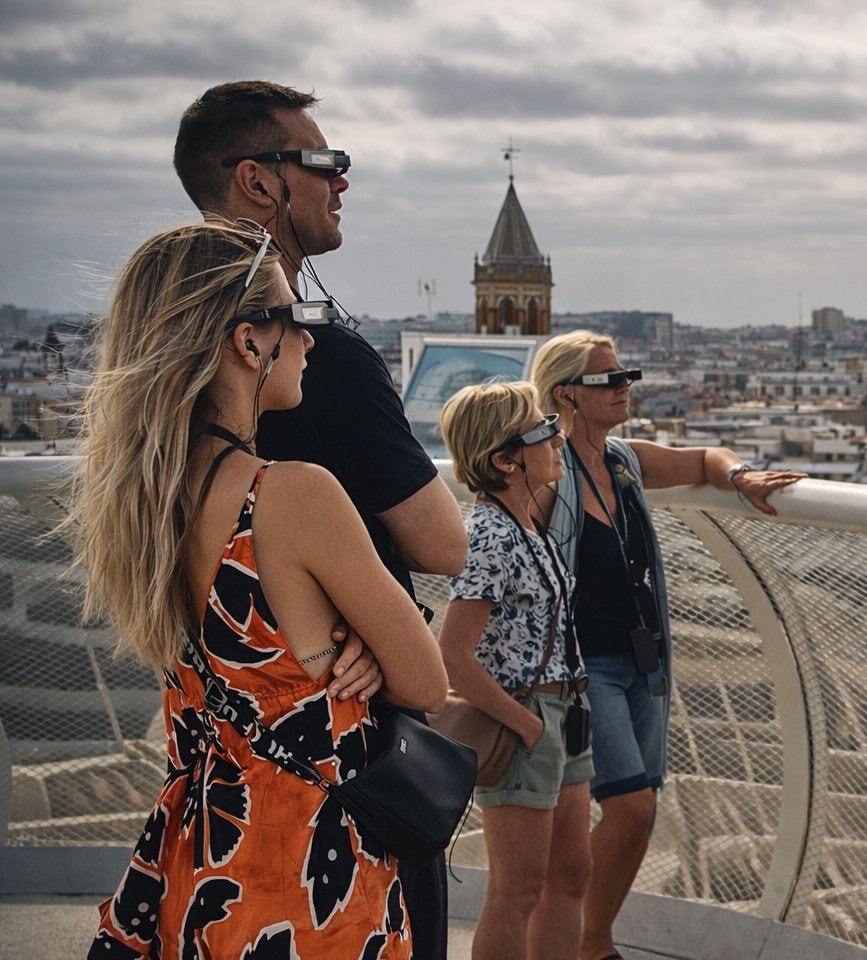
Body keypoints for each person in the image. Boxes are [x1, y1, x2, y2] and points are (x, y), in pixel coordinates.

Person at [76, 221, 448, 958]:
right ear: (248, 343)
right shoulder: (293, 496)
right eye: (298, 318)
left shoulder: (138, 503)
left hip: (200, 859)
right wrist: (362, 650)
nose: (311, 340)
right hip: (309, 875)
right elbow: (427, 680)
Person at [174, 80, 468, 960]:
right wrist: (370, 632)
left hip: (207, 819)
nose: (344, 182)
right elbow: (442, 545)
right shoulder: (322, 376)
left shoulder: (156, 454)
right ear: (259, 183)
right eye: (326, 163)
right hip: (331, 801)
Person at [529, 330, 803, 960]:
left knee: (638, 807)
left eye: (629, 375)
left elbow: (705, 457)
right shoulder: (545, 468)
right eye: (610, 380)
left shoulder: (623, 461)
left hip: (640, 661)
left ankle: (585, 938)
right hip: (581, 665)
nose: (626, 387)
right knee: (627, 807)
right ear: (566, 394)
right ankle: (577, 937)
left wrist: (742, 475)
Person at [437, 380, 594, 960]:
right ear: (505, 460)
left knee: (572, 874)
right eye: (543, 431)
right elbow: (453, 653)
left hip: (562, 715)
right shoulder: (489, 536)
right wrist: (525, 725)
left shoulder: (528, 525)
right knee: (518, 890)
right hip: (528, 720)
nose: (557, 438)